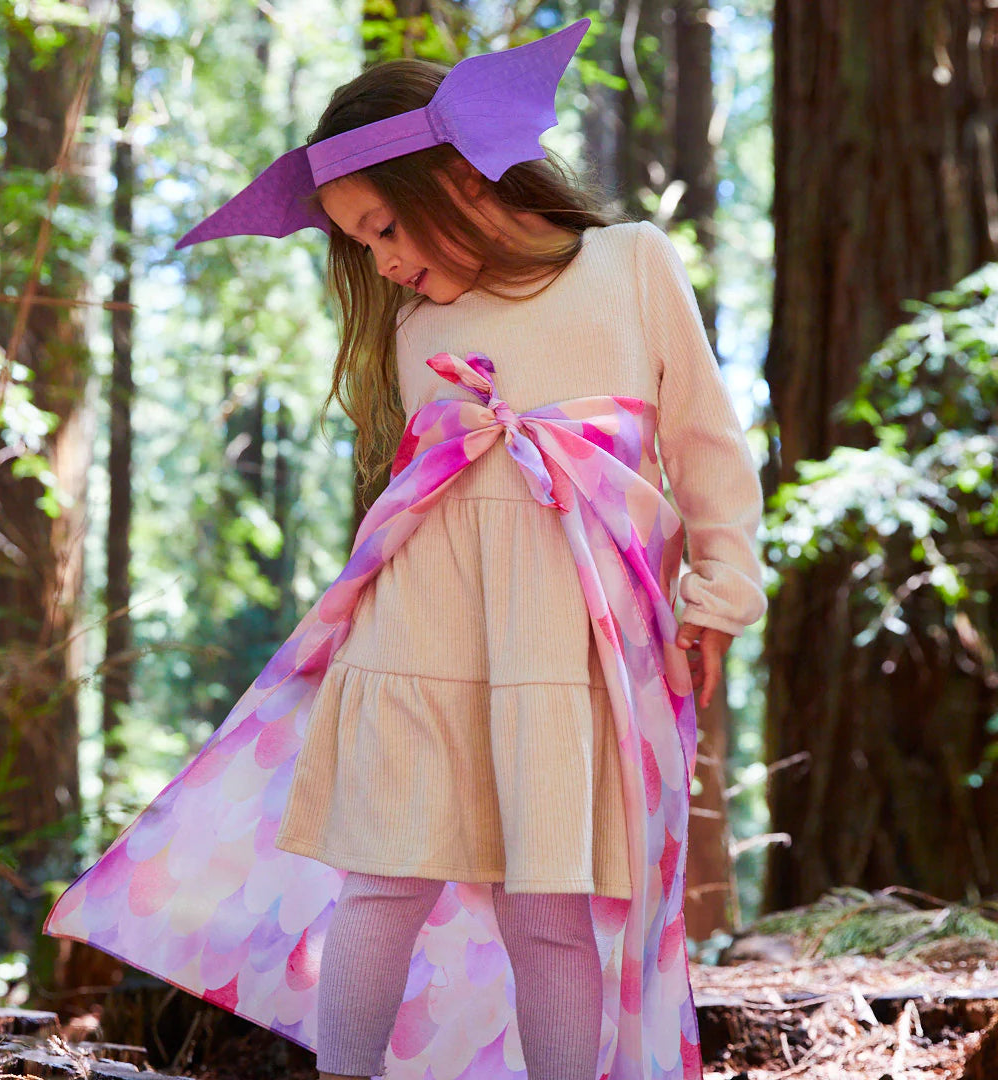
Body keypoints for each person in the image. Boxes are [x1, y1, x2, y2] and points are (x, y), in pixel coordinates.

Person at [46, 20, 765, 1080]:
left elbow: (709, 446)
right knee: (383, 882)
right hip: (417, 633)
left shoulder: (632, 266)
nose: (382, 263)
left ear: (461, 177)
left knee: (549, 907)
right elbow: (418, 495)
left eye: (385, 228)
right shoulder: (416, 329)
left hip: (561, 648)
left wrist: (718, 595)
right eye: (361, 246)